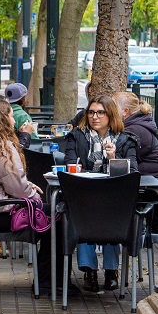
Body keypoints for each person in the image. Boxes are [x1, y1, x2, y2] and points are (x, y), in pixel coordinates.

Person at [0, 97, 71, 295]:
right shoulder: (1, 147)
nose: (13, 120)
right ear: (2, 119)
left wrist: (27, 187)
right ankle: (51, 282)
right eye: (10, 115)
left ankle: (50, 281)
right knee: (59, 216)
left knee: (52, 214)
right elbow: (18, 189)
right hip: (1, 214)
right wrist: (33, 193)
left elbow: (8, 182)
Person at [64, 95, 139, 293]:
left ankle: (111, 271)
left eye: (100, 113)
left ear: (110, 115)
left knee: (112, 215)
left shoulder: (125, 140)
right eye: (91, 112)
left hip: (114, 198)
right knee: (83, 213)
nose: (94, 117)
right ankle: (89, 270)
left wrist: (113, 158)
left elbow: (133, 172)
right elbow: (70, 163)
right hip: (85, 196)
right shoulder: (76, 136)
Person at [112, 92, 158, 179]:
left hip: (148, 181)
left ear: (125, 111)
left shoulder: (133, 130)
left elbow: (120, 157)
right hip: (148, 177)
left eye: (113, 108)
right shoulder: (137, 123)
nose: (110, 111)